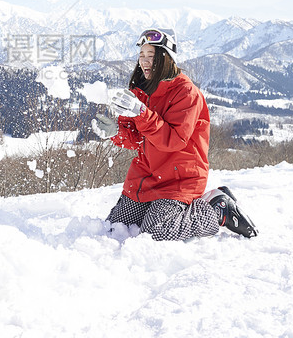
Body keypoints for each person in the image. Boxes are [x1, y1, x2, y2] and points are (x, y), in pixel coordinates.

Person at [91, 28, 257, 241]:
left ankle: (216, 209)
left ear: (166, 58)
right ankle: (160, 211)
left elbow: (174, 140)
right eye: (141, 55)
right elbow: (137, 138)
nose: (144, 61)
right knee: (115, 229)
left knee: (156, 232)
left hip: (179, 179)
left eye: (151, 56)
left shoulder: (186, 93)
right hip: (146, 176)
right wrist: (115, 132)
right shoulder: (139, 90)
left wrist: (141, 113)